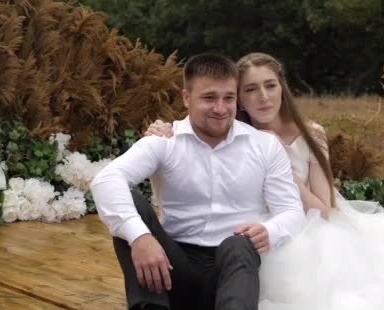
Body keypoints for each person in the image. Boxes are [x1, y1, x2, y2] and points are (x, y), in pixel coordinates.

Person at [146, 52, 384, 310]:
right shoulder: (230, 133)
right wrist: (161, 130)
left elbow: (326, 208)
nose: (263, 97)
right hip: (248, 230)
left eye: (270, 85)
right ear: (238, 98)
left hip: (305, 230)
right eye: (250, 90)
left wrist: (282, 172)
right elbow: (188, 142)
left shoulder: (309, 134)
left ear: (282, 88)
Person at [90, 53, 306, 310]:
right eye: (209, 98)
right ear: (186, 98)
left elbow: (292, 211)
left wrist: (269, 231)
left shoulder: (265, 145)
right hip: (171, 267)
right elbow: (106, 180)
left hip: (232, 269)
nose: (221, 108)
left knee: (240, 245)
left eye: (229, 98)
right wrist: (140, 238)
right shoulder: (165, 141)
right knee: (129, 212)